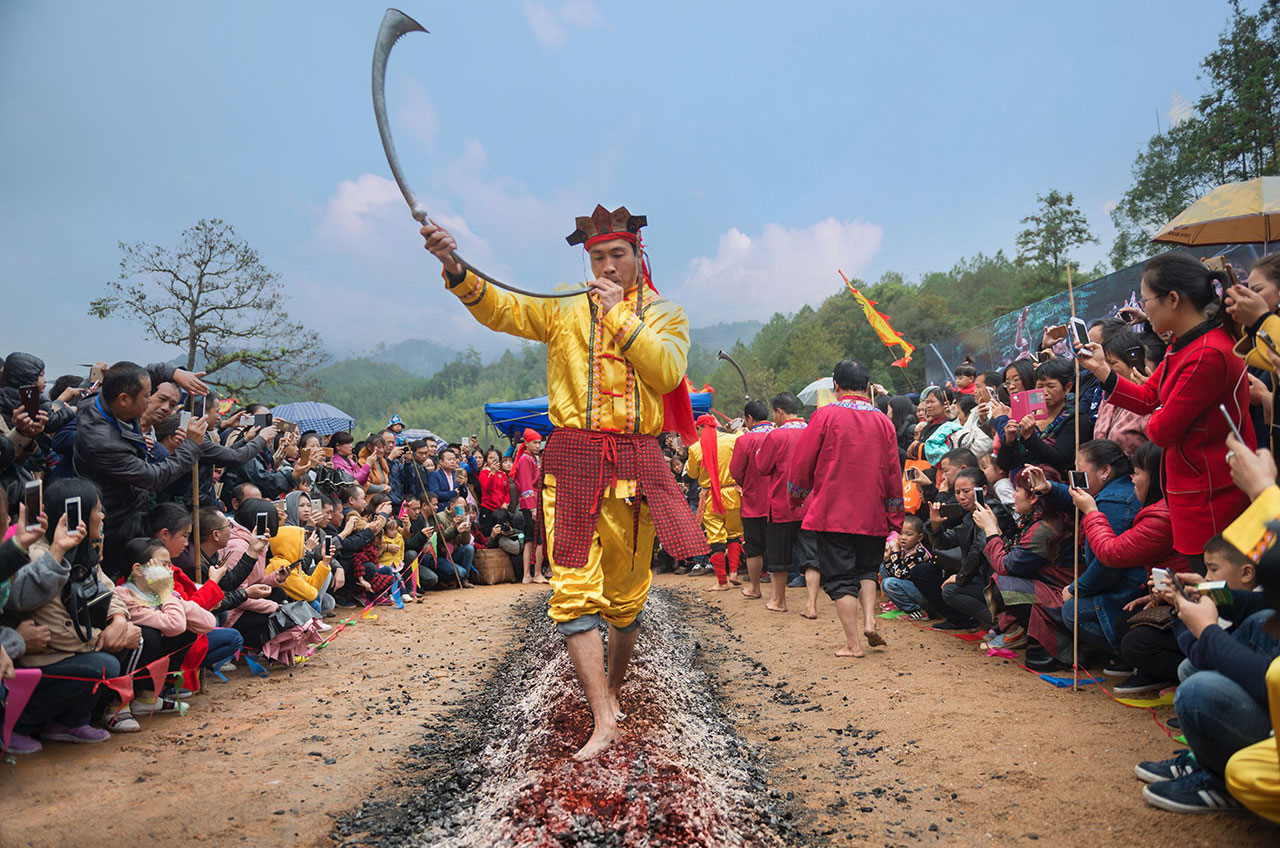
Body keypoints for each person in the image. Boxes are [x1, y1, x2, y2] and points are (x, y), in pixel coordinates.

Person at [420, 204, 707, 760]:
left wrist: (622, 315)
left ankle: (615, 694)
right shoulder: (566, 304)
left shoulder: (667, 315)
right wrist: (455, 265)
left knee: (626, 601)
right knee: (572, 591)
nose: (607, 265)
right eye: (598, 257)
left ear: (637, 256)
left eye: (617, 255)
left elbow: (668, 372)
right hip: (573, 457)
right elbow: (503, 308)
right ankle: (601, 716)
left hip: (637, 461)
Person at [1076, 252, 1254, 569]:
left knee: (1219, 589)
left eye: (1146, 301)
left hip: (1211, 497)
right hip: (1195, 493)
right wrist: (1104, 372)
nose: (1144, 309)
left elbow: (1161, 430)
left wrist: (1160, 408)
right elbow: (1148, 396)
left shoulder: (1207, 353)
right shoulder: (1183, 345)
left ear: (1172, 299)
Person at [788, 359, 904, 657]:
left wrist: (797, 496)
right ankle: (869, 620)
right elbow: (893, 472)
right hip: (873, 511)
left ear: (836, 386)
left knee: (841, 577)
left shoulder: (825, 416)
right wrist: (895, 515)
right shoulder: (883, 421)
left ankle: (852, 644)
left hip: (834, 511)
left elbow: (803, 463)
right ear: (867, 386)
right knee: (867, 569)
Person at [73, 361, 208, 578]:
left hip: (130, 508)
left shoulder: (109, 397)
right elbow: (154, 477)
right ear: (124, 399)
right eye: (148, 397)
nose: (150, 401)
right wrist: (191, 445)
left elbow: (145, 372)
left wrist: (175, 373)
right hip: (112, 519)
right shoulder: (103, 441)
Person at [753, 392, 820, 616]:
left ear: (779, 411)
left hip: (782, 505)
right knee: (811, 557)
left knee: (779, 558)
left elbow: (762, 467)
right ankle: (811, 605)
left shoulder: (776, 435)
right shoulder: (812, 430)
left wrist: (760, 451)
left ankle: (779, 601)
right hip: (810, 504)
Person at [686, 414, 744, 591]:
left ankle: (722, 582)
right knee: (734, 534)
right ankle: (733, 572)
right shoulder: (734, 439)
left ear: (701, 428)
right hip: (732, 493)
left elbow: (692, 474)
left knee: (716, 539)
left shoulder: (696, 448)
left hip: (711, 496)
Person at [728, 400, 774, 599]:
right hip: (777, 501)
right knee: (776, 546)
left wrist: (746, 482)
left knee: (754, 547)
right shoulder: (777, 434)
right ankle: (778, 592)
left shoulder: (744, 440)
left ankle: (755, 588)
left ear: (749, 418)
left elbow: (736, 471)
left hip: (754, 501)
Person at [879, 515, 932, 621]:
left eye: (909, 534)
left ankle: (915, 609)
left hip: (924, 595)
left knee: (888, 583)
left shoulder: (919, 553)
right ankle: (899, 603)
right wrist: (887, 559)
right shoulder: (905, 549)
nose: (903, 537)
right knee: (883, 568)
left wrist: (896, 553)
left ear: (919, 537)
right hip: (908, 586)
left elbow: (900, 575)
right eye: (900, 533)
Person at [511, 429, 546, 584]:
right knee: (539, 539)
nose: (538, 446)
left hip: (531, 503)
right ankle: (536, 573)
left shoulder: (531, 458)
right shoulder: (526, 460)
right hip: (531, 504)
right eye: (535, 442)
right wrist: (533, 508)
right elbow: (526, 486)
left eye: (539, 442)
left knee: (530, 538)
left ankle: (527, 575)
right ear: (526, 443)